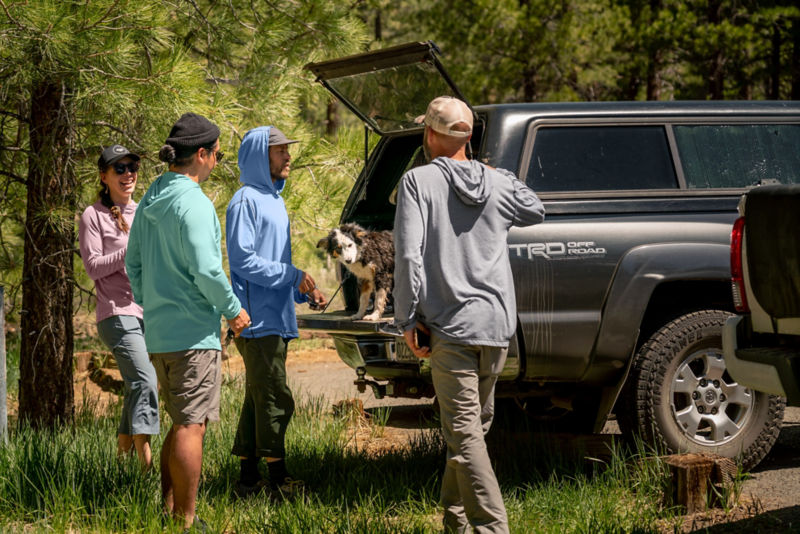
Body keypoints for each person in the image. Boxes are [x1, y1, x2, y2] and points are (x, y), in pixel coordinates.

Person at [393, 96, 545, 533]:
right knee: (469, 432)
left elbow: (408, 257)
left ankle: (492, 529)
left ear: (432, 135)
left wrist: (406, 319)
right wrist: (500, 176)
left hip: (452, 329)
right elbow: (536, 207)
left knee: (464, 437)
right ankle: (455, 522)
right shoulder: (498, 185)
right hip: (497, 328)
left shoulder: (417, 182)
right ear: (470, 137)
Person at [126, 112, 251, 531]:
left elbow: (134, 263)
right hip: (194, 334)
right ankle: (185, 519)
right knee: (190, 426)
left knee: (179, 422)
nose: (217, 161)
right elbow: (207, 270)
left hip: (158, 333)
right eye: (216, 154)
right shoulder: (194, 202)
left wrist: (152, 304)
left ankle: (166, 513)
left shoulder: (151, 196)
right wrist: (233, 310)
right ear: (200, 155)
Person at [225, 126, 327, 498]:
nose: (288, 157)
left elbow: (273, 265)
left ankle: (248, 481)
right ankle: (278, 482)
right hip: (255, 323)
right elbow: (244, 262)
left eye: (287, 150)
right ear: (258, 155)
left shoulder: (274, 199)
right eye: (279, 150)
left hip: (276, 318)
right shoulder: (245, 200)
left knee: (257, 399)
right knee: (274, 398)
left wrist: (302, 293)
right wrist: (292, 274)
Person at [79, 144, 160, 470]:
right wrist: (129, 249)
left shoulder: (143, 212)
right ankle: (147, 472)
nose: (128, 174)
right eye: (119, 169)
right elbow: (93, 267)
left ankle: (120, 467)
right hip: (115, 314)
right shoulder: (93, 215)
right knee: (146, 381)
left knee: (134, 388)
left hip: (146, 315)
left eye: (132, 167)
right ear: (104, 176)